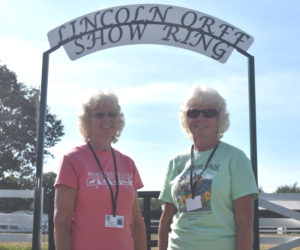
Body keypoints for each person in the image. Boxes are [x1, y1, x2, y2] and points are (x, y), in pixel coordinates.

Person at [158, 86, 259, 250]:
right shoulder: (175, 162)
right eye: (193, 112)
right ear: (186, 119)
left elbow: (245, 220)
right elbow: (166, 218)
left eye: (209, 113)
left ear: (219, 119)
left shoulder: (235, 158)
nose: (201, 117)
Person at [53, 90, 147, 250]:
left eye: (111, 114)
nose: (106, 119)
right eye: (99, 115)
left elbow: (137, 220)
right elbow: (62, 221)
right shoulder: (73, 160)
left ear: (118, 120)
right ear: (87, 120)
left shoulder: (128, 163)